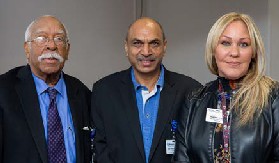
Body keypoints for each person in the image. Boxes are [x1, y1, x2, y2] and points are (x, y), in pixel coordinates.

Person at [91, 17, 201, 163]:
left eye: (154, 43)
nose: (146, 51)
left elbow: (196, 150)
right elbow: (100, 150)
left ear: (164, 46)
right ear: (126, 47)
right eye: (137, 43)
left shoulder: (190, 91)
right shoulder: (104, 91)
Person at [172, 12, 279, 163]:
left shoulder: (272, 97)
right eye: (226, 43)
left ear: (253, 52)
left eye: (244, 44)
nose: (234, 53)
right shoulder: (194, 101)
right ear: (213, 49)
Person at [0, 15, 91, 163]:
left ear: (67, 50)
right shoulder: (4, 91)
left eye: (59, 39)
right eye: (42, 38)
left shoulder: (82, 93)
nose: (51, 46)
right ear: (27, 49)